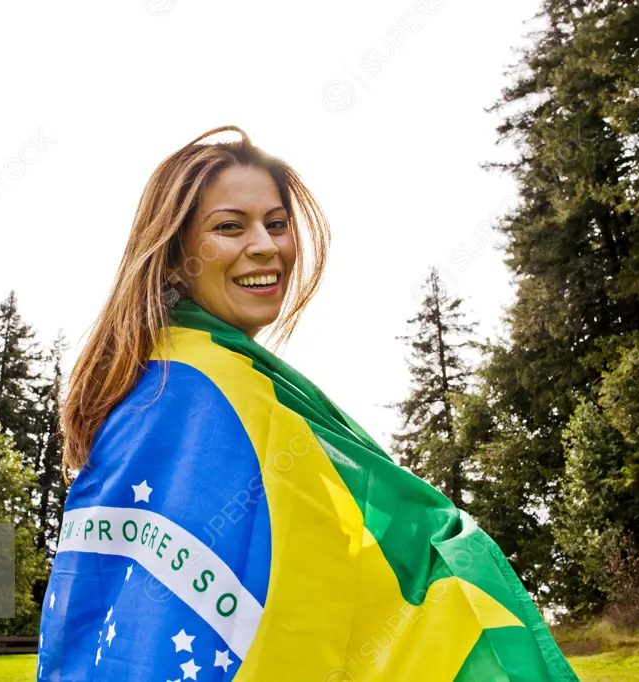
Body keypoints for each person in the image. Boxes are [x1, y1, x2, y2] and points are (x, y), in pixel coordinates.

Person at [35, 125, 577, 681]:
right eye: (229, 226)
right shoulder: (204, 388)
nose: (267, 245)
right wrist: (453, 550)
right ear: (174, 260)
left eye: (276, 223)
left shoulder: (162, 374)